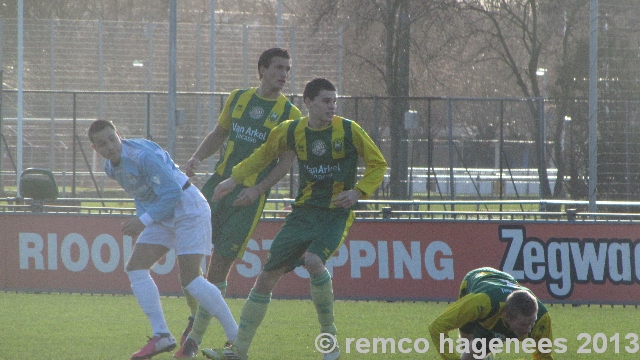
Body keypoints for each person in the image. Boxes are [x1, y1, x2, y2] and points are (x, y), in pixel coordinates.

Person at [201, 77, 388, 360]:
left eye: (334, 102)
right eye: (326, 101)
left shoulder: (349, 130)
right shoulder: (291, 131)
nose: (331, 107)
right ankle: (238, 351)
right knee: (265, 277)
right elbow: (262, 156)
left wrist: (358, 191)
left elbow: (378, 164)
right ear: (308, 102)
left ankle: (330, 342)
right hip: (302, 212)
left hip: (335, 212)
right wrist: (233, 180)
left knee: (313, 261)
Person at [174, 47, 302, 358]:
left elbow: (286, 163)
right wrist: (196, 157)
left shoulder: (290, 115)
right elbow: (219, 134)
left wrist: (257, 190)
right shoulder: (238, 98)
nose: (283, 75)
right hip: (216, 186)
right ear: (262, 69)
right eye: (278, 68)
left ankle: (193, 341)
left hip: (248, 197)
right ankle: (196, 316)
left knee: (219, 265)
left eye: (287, 69)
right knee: (191, 258)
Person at [87, 119, 238, 360]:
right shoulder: (110, 167)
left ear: (119, 135)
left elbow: (173, 191)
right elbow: (140, 192)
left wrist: (143, 221)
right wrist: (143, 218)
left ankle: (237, 340)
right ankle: (162, 336)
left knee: (191, 280)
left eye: (112, 139)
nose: (109, 147)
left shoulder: (141, 157)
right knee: (135, 268)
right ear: (95, 149)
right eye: (102, 144)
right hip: (163, 212)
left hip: (188, 208)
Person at [428, 267, 554, 360]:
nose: (528, 329)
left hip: (504, 284)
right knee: (468, 347)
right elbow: (437, 327)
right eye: (523, 325)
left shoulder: (541, 318)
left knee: (480, 351)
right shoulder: (481, 303)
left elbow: (544, 356)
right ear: (506, 317)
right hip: (477, 282)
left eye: (531, 323)